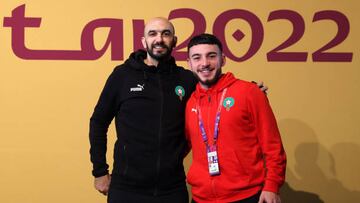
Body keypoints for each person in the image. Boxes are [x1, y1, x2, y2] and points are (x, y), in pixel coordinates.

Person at [89, 17, 197, 203]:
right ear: (143, 41)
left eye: (166, 34)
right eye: (152, 34)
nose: (159, 39)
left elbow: (216, 94)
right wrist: (99, 171)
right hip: (127, 188)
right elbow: (98, 122)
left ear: (175, 41)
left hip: (172, 189)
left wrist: (247, 91)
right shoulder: (122, 75)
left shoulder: (186, 79)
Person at [185, 34, 286, 203]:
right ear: (189, 63)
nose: (204, 63)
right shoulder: (189, 102)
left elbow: (273, 146)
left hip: (247, 196)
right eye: (197, 57)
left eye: (211, 56)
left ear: (223, 59)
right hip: (201, 198)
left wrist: (272, 186)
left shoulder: (249, 92)